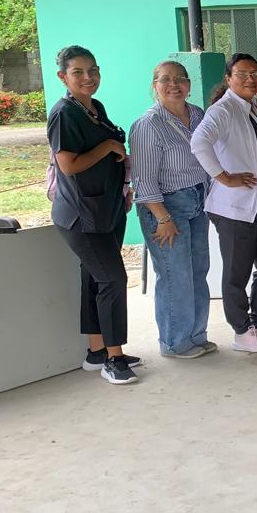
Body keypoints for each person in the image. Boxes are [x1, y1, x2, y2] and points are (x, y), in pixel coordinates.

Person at [48, 45, 141, 385]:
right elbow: (68, 165)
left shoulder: (94, 107)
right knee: (113, 279)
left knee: (94, 277)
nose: (88, 77)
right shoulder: (64, 114)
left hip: (107, 209)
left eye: (93, 70)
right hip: (81, 216)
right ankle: (114, 360)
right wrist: (108, 147)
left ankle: (96, 351)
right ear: (63, 77)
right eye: (78, 72)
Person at [190, 53, 257, 353]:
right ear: (228, 78)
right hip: (235, 209)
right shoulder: (223, 110)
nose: (251, 79)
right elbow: (199, 142)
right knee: (237, 272)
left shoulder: (250, 108)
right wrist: (223, 177)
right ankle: (241, 331)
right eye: (242, 73)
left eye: (255, 73)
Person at [128, 59, 214, 360]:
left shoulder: (198, 114)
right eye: (166, 79)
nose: (174, 85)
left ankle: (196, 335)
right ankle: (174, 342)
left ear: (189, 84)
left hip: (198, 201)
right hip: (165, 206)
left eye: (180, 78)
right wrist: (162, 218)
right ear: (155, 85)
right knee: (174, 274)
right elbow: (143, 179)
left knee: (198, 270)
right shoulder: (148, 124)